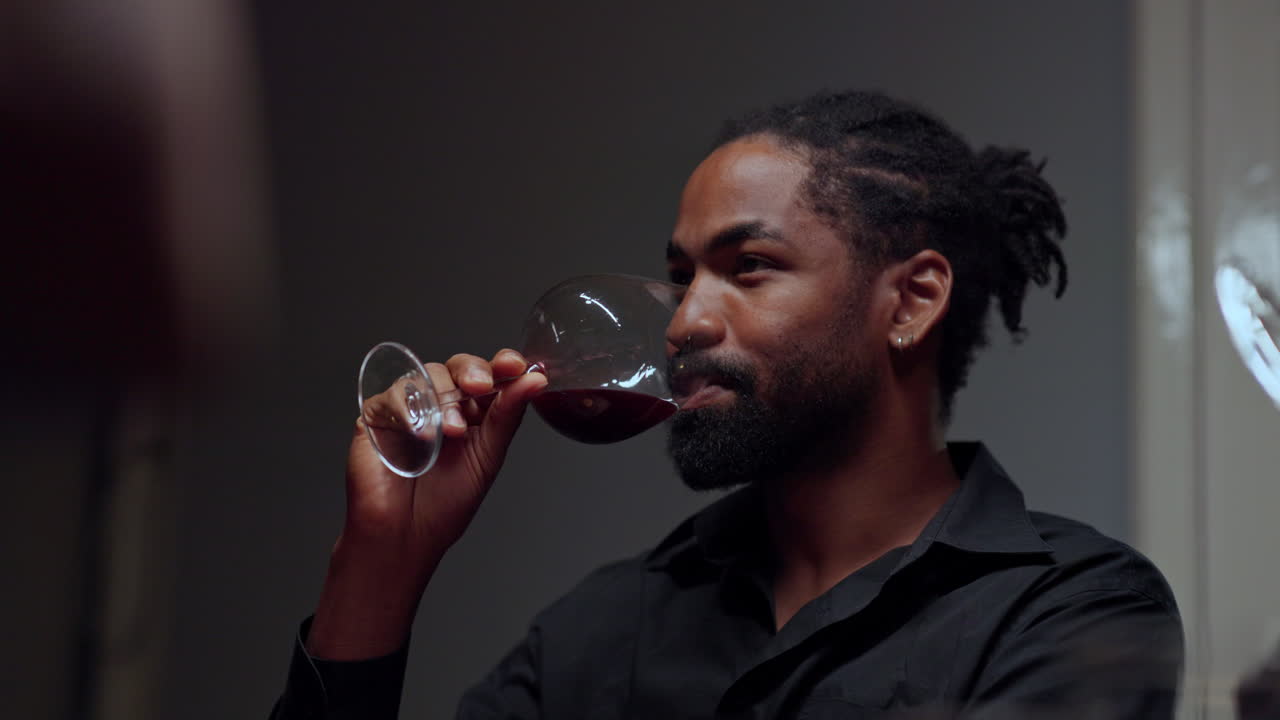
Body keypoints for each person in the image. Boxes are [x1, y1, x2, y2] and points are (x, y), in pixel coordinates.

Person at [269, 90, 1183, 719]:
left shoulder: (1071, 609)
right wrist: (380, 567)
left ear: (910, 301)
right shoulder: (603, 630)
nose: (684, 322)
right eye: (679, 276)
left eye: (749, 268)